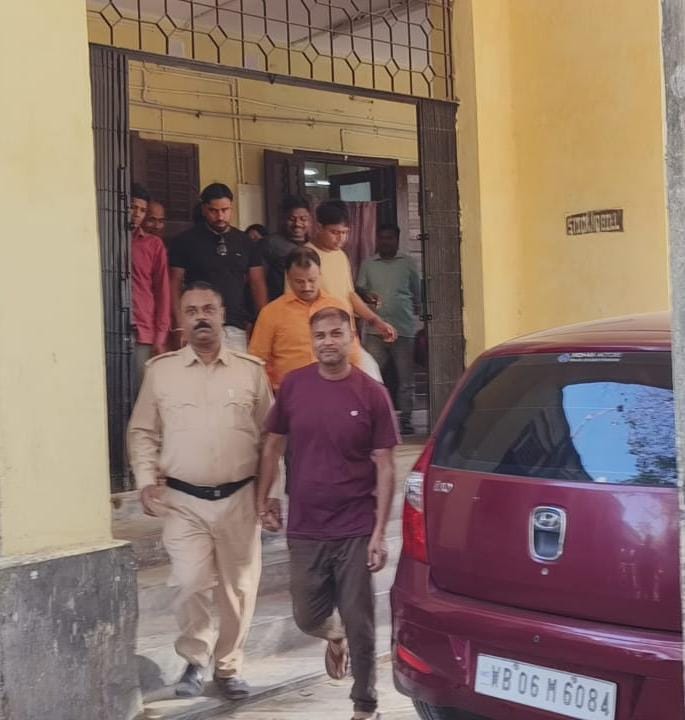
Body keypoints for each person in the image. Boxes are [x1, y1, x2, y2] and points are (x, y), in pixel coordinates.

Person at [128, 280, 273, 700]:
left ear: (223, 315)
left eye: (209, 309)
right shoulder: (161, 372)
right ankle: (195, 659)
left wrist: (270, 493)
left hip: (241, 498)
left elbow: (272, 438)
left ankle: (228, 668)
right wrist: (145, 481)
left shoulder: (251, 371)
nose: (201, 317)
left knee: (238, 589)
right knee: (189, 583)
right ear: (181, 320)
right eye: (191, 311)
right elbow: (141, 431)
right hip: (183, 500)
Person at [257, 307, 399, 720]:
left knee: (360, 621)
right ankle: (334, 635)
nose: (327, 342)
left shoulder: (371, 393)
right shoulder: (294, 386)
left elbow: (385, 464)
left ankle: (365, 704)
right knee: (307, 616)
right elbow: (273, 444)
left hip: (355, 526)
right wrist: (264, 497)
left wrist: (378, 533)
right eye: (320, 335)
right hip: (306, 525)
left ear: (351, 336)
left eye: (336, 333)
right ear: (312, 340)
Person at [168, 183, 268, 352]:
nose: (220, 216)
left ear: (231, 207)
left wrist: (264, 324)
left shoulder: (245, 242)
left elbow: (257, 284)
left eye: (225, 210)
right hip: (197, 324)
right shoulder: (185, 241)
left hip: (235, 326)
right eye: (213, 211)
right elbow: (175, 284)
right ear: (203, 209)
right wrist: (179, 325)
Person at [248, 247, 362, 390]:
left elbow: (352, 351)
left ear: (320, 275)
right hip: (287, 392)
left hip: (334, 389)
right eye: (299, 282)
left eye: (312, 280)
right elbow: (257, 359)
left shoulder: (339, 307)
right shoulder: (271, 312)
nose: (307, 287)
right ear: (288, 278)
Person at [357, 224, 421, 435]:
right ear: (377, 239)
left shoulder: (408, 263)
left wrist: (419, 312)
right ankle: (370, 417)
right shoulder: (368, 264)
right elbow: (359, 290)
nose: (386, 242)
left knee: (406, 379)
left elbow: (417, 292)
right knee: (369, 375)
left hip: (403, 329)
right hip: (375, 331)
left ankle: (406, 421)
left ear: (397, 239)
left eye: (390, 238)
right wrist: (367, 297)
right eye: (382, 238)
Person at [304, 201, 396, 343]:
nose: (341, 238)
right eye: (334, 232)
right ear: (319, 227)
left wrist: (376, 321)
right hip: (321, 339)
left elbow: (349, 295)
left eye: (345, 232)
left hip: (346, 334)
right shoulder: (304, 257)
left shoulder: (340, 255)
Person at [130, 183, 170, 391]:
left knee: (142, 394)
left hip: (142, 329)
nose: (137, 214)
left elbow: (162, 291)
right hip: (109, 326)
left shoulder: (153, 245)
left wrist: (160, 335)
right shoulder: (102, 237)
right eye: (132, 207)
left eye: (142, 210)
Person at [262, 196, 312, 300]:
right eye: (292, 219)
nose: (297, 224)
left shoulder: (313, 244)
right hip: (280, 303)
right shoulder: (271, 243)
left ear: (310, 220)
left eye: (303, 219)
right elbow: (259, 280)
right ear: (283, 219)